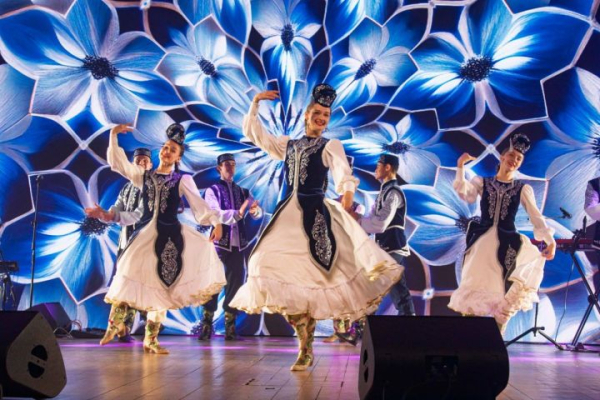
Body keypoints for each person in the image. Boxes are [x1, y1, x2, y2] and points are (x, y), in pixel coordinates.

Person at [229, 84, 403, 371]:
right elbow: (256, 135)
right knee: (260, 262)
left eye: (326, 115)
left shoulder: (330, 146)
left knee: (318, 275)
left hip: (315, 216)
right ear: (306, 116)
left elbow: (343, 173)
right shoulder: (288, 145)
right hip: (286, 215)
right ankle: (305, 341)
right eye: (317, 113)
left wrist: (347, 198)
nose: (322, 118)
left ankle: (309, 346)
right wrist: (256, 102)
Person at [100, 122, 226, 354]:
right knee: (127, 272)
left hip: (170, 237)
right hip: (144, 235)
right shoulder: (143, 176)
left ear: (178, 157)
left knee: (163, 286)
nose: (167, 152)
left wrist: (216, 222)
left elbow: (199, 206)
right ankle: (114, 324)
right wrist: (113, 135)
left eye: (172, 150)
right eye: (165, 148)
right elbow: (119, 165)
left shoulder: (182, 180)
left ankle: (151, 338)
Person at [448, 133, 556, 333]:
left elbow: (536, 216)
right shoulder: (483, 182)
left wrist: (550, 240)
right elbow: (466, 194)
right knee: (473, 284)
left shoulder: (522, 189)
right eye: (512, 155)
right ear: (502, 157)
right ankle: (467, 338)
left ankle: (497, 339)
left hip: (507, 242)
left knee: (503, 289)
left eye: (519, 158)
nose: (514, 160)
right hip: (481, 242)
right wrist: (461, 166)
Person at [86, 147, 153, 342]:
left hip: (145, 242)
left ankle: (137, 327)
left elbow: (140, 215)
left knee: (139, 284)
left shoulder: (152, 187)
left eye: (144, 161)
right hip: (126, 242)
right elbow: (117, 207)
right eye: (138, 160)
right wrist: (106, 214)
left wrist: (112, 216)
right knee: (126, 283)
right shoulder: (126, 188)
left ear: (150, 165)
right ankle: (123, 328)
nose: (141, 163)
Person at [197, 153, 263, 341]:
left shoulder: (243, 192)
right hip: (219, 243)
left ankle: (230, 326)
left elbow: (257, 212)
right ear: (219, 168)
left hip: (238, 244)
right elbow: (214, 212)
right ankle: (206, 324)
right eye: (226, 164)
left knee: (235, 284)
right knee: (213, 282)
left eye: (233, 164)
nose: (230, 167)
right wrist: (239, 213)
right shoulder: (213, 190)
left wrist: (254, 210)